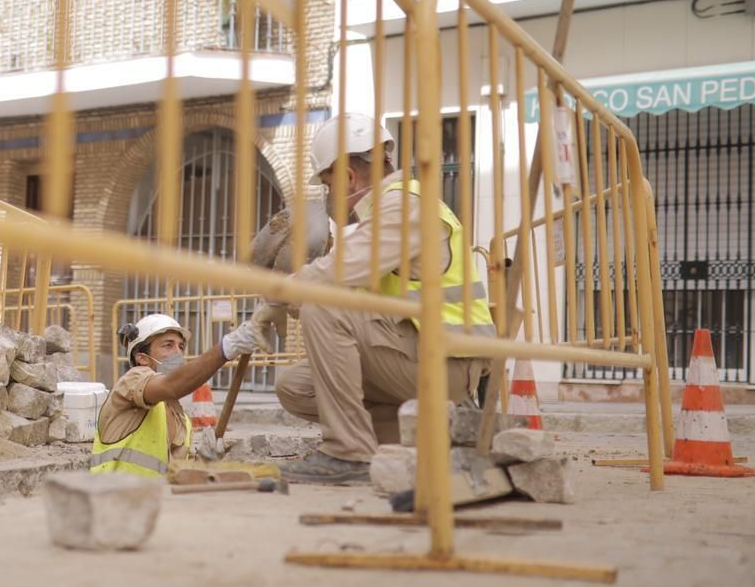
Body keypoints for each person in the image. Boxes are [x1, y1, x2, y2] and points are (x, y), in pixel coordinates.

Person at [271, 114, 494, 485]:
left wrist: (277, 294)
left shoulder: (403, 207)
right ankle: (419, 440)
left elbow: (332, 279)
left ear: (346, 177)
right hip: (420, 354)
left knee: (321, 303)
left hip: (447, 361)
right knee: (296, 387)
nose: (330, 196)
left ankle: (349, 454)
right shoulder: (387, 213)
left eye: (328, 184)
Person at [90, 312, 260, 478]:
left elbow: (178, 477)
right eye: (168, 345)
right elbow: (172, 386)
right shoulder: (131, 383)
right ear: (143, 358)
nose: (178, 353)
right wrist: (227, 347)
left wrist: (204, 462)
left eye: (181, 346)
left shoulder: (181, 419)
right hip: (112, 500)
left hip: (153, 502)